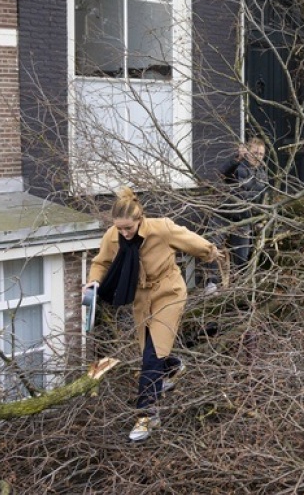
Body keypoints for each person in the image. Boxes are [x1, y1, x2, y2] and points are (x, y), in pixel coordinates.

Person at [82, 187, 222, 442]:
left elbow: (193, 242)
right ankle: (175, 366)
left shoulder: (161, 228)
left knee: (153, 353)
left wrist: (211, 253)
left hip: (168, 291)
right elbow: (101, 262)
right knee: (150, 350)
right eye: (120, 228)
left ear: (140, 220)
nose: (124, 233)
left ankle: (147, 415)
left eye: (128, 228)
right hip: (141, 297)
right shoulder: (112, 237)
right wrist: (93, 282)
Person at [205, 137, 269, 294]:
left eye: (261, 154)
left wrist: (260, 219)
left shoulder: (262, 175)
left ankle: (239, 291)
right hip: (224, 214)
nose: (258, 157)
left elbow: (262, 200)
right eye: (255, 152)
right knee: (213, 247)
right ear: (247, 152)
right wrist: (237, 157)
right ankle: (211, 284)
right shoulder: (236, 166)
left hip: (243, 219)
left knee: (242, 256)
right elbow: (220, 173)